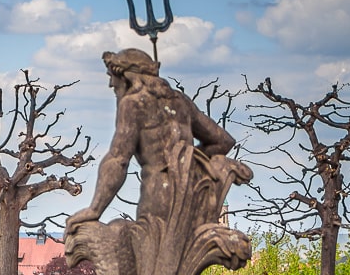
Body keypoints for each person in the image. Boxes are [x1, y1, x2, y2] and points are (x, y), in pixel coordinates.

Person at [66, 48, 235, 233]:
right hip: (189, 200)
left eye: (112, 77)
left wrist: (95, 209)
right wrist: (188, 166)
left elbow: (118, 159)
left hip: (157, 200)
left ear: (127, 77)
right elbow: (223, 141)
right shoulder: (180, 101)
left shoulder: (133, 104)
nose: (110, 84)